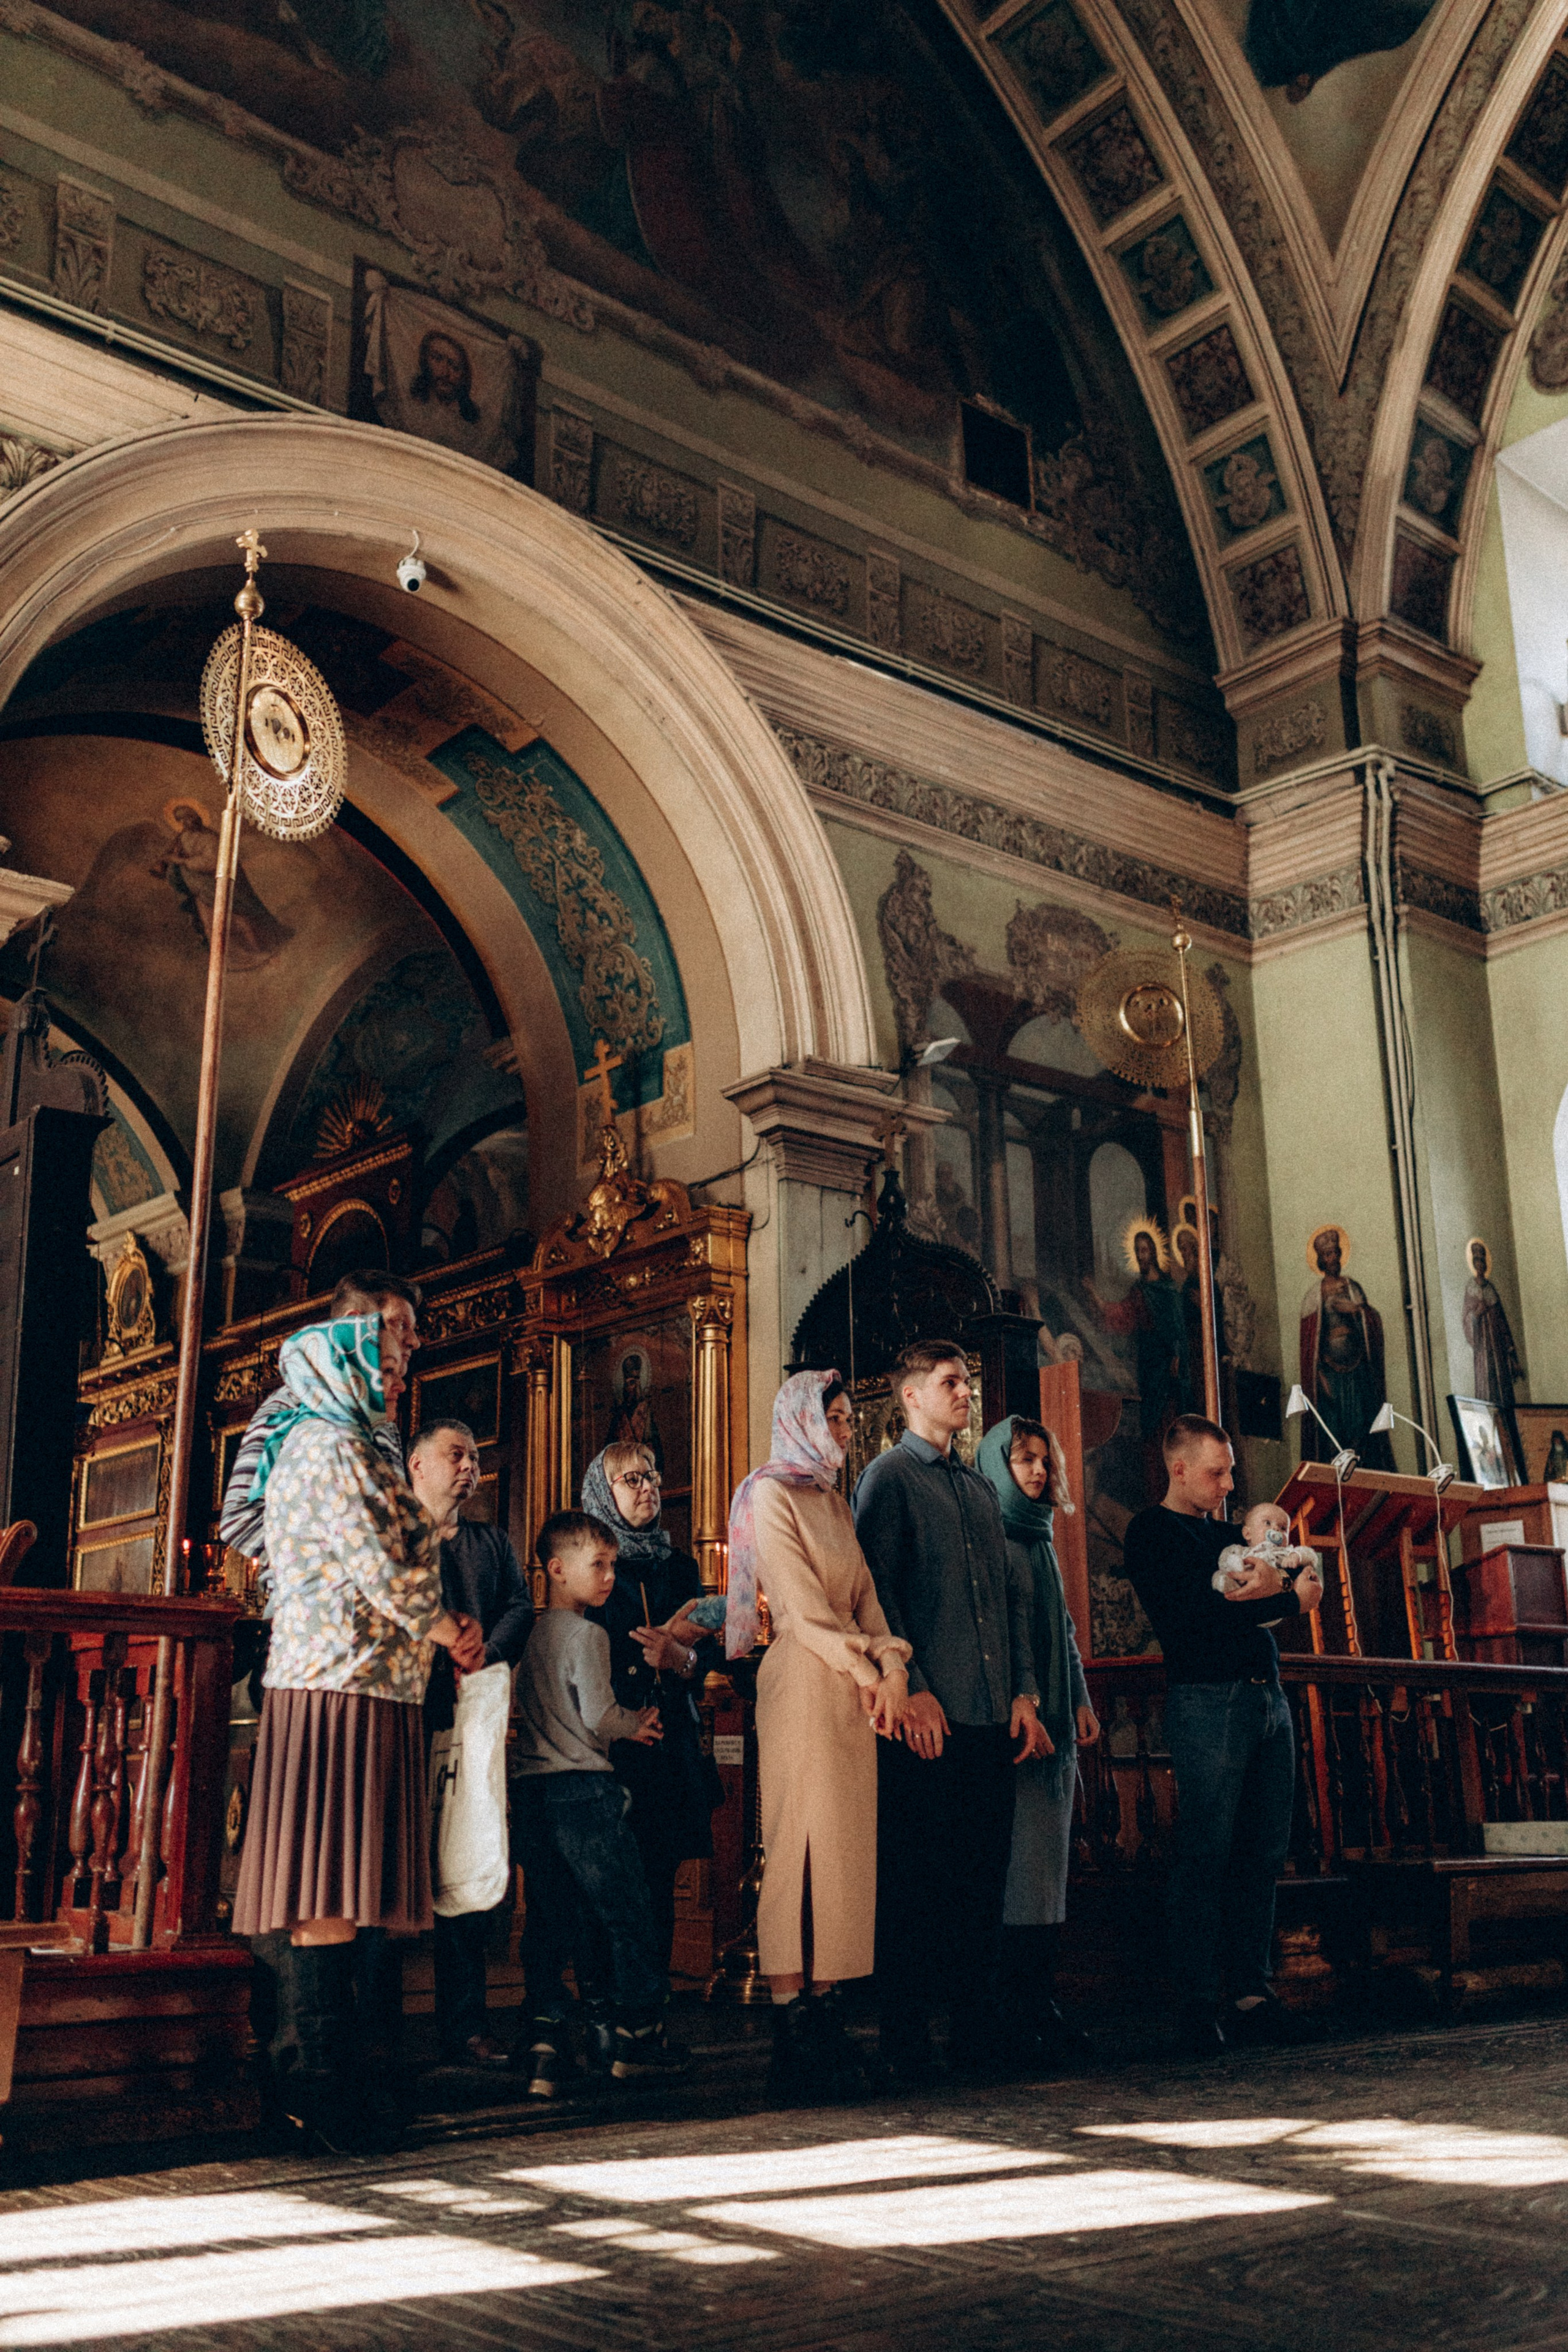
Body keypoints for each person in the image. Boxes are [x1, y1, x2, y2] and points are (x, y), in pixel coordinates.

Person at [230, 1308, 484, 2150]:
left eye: (400, 1366)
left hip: (361, 1683)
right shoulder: (331, 1445)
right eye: (383, 1364)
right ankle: (318, 2090)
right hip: (339, 1683)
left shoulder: (342, 1443)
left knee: (340, 1892)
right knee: (327, 1893)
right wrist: (448, 1629)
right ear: (339, 1367)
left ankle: (327, 2081)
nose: (397, 1379)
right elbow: (378, 1565)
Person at [219, 1268, 421, 2127]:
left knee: (360, 1873)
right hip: (323, 1657)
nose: (411, 1345)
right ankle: (304, 2065)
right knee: (319, 1871)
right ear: (354, 1329)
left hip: (378, 1666)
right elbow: (240, 1517)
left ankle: (357, 2059)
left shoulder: (376, 1423)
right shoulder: (296, 1411)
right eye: (398, 1328)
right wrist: (321, 1573)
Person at [852, 1339, 1051, 2081]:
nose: (965, 1392)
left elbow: (1009, 1600)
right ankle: (904, 2039)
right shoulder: (888, 1477)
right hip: (925, 1715)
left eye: (967, 1381)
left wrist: (1024, 1694)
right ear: (910, 1396)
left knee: (981, 1877)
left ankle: (974, 2031)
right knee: (915, 1882)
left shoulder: (977, 1489)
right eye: (950, 1382)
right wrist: (914, 1685)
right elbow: (877, 1591)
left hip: (991, 1714)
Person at [730, 1370, 910, 2101]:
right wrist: (870, 1671)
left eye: (845, 1419)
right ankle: (791, 2025)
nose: (843, 1430)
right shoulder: (767, 1494)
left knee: (841, 1853)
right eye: (831, 1418)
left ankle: (828, 2013)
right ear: (800, 1420)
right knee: (797, 1847)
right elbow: (803, 1612)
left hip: (853, 1689)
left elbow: (866, 1599)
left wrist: (893, 1667)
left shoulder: (834, 1500)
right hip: (804, 1680)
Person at [1121, 1414, 1324, 2056]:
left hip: (1267, 1698)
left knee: (1263, 1854)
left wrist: (1277, 1590)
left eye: (1231, 1471)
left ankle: (1250, 1996)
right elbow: (1196, 1617)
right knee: (1205, 1855)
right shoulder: (1152, 1532)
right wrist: (1288, 1602)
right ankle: (1197, 2003)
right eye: (1217, 1472)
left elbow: (1280, 1582)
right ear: (1179, 1469)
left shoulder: (1228, 1534)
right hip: (1209, 1702)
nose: (1230, 1484)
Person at [510, 1509, 687, 2098]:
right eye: (599, 1565)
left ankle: (546, 2041)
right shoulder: (589, 1635)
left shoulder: (532, 1633)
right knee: (625, 1912)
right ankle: (635, 2036)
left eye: (613, 1565)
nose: (610, 1576)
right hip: (584, 1792)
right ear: (558, 1570)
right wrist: (637, 1723)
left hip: (532, 1792)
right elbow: (598, 1716)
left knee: (550, 1920)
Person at [578, 1441, 719, 2043]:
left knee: (659, 1883)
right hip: (608, 1751)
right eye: (631, 1479)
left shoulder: (679, 1568)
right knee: (608, 1890)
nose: (648, 1488)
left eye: (653, 1476)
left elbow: (703, 1661)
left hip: (668, 1751)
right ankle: (605, 2018)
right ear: (602, 1492)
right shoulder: (588, 1566)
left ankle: (649, 2019)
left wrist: (678, 1655)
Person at [409, 1418, 534, 2071]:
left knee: (466, 1862)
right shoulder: (397, 1538)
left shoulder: (491, 1541)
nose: (469, 1467)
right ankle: (376, 2027)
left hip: (474, 1712)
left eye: (475, 1458)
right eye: (455, 1455)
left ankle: (465, 2026)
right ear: (417, 1465)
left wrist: (485, 1648)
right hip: (406, 1714)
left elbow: (520, 1605)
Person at [978, 1412, 1100, 2068]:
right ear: (998, 1464)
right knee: (1020, 1873)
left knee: (1049, 1873)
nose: (1036, 1470)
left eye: (1043, 1460)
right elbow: (1008, 1635)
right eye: (1023, 1459)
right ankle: (1011, 2011)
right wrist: (1028, 1703)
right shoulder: (994, 1535)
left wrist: (1079, 1699)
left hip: (1056, 1722)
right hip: (1019, 1730)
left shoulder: (1041, 1536)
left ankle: (1039, 2002)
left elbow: (1064, 1631)